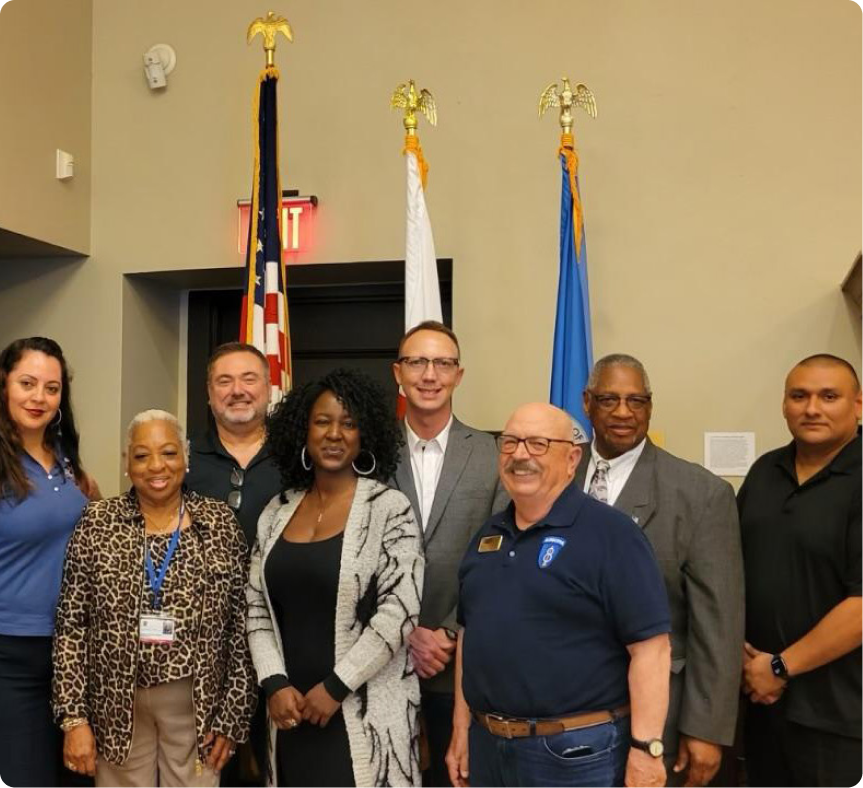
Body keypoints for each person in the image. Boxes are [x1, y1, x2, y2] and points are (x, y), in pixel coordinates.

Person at [447, 402, 672, 788]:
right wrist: (461, 728)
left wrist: (646, 748)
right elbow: (471, 635)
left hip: (576, 754)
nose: (520, 454)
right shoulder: (487, 535)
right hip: (488, 749)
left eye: (538, 444)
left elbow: (652, 649)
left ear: (571, 459)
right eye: (511, 442)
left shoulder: (612, 534)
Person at [53, 409, 256, 787]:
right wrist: (74, 718)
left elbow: (241, 626)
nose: (156, 466)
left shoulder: (219, 523)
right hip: (115, 705)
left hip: (199, 708)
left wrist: (233, 714)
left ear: (186, 458)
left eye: (168, 452)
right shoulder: (98, 521)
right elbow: (71, 626)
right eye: (142, 456)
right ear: (127, 464)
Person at [247, 368, 424, 787]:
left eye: (349, 423)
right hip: (289, 717)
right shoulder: (277, 511)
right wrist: (274, 683)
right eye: (322, 421)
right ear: (303, 432)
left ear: (365, 435)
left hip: (365, 715)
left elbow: (401, 611)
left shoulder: (389, 509)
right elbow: (255, 606)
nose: (334, 434)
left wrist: (336, 687)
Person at [576, 354, 744, 787]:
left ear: (650, 407)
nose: (623, 412)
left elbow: (718, 624)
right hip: (565, 715)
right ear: (586, 403)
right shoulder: (554, 475)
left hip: (657, 720)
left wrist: (706, 729)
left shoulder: (700, 494)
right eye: (609, 399)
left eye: (637, 401)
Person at [389, 320, 508, 787]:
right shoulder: (368, 454)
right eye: (417, 362)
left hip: (460, 666)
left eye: (442, 363)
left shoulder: (493, 455)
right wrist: (405, 634)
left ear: (459, 375)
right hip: (382, 664)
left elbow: (499, 563)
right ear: (398, 373)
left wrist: (445, 633)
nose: (429, 374)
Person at [738, 354, 863, 788]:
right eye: (800, 396)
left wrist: (779, 667)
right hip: (760, 705)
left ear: (859, 404)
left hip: (841, 719)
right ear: (784, 404)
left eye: (829, 396)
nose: (812, 408)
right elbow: (734, 573)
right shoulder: (763, 472)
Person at [0, 337, 98, 788]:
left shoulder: (63, 458)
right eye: (27, 383)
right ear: (4, 386)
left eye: (51, 387)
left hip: (72, 651)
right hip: (12, 654)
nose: (39, 397)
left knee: (76, 778)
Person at [185, 341, 283, 786]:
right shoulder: (180, 458)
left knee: (279, 763)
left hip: (282, 635)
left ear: (269, 388)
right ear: (208, 394)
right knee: (207, 764)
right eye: (224, 381)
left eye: (249, 379)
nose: (237, 390)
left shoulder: (299, 457)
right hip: (201, 641)